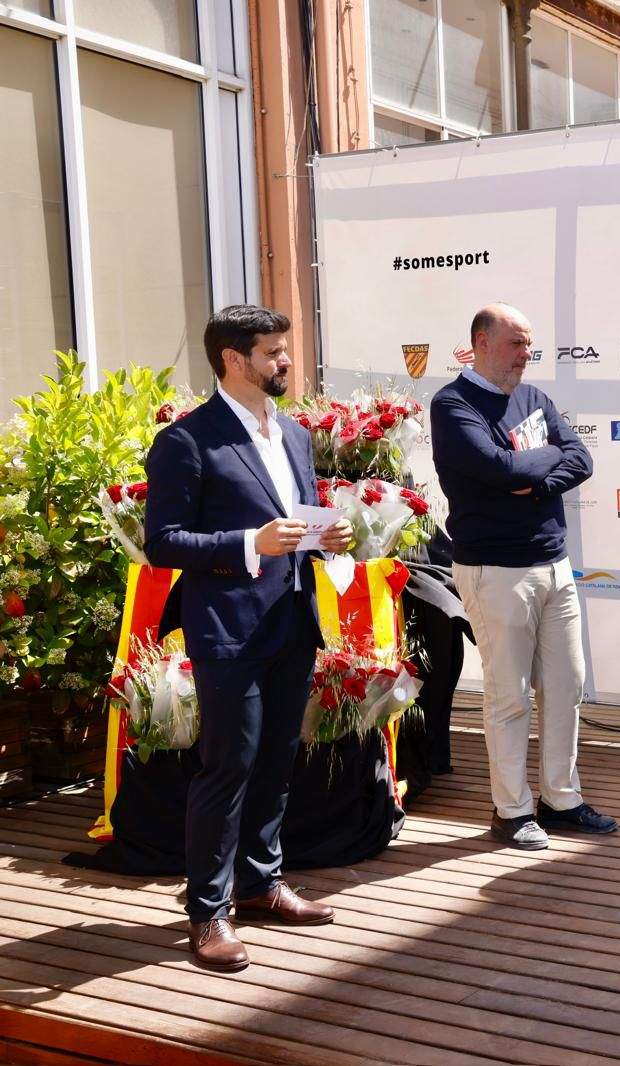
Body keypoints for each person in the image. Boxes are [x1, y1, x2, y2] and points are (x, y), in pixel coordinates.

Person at [144, 305, 355, 971]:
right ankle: (208, 913)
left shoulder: (292, 434)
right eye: (272, 352)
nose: (284, 361)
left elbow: (297, 519)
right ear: (234, 360)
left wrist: (332, 536)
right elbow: (162, 544)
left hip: (291, 618)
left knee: (275, 759)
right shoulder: (187, 441)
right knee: (227, 765)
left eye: (283, 350)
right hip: (227, 629)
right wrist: (246, 545)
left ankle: (262, 884)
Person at [429, 302, 617, 850]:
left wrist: (531, 482)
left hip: (554, 564)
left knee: (565, 687)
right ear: (481, 343)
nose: (526, 355)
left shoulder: (534, 398)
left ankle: (560, 799)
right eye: (516, 344)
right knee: (509, 697)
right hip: (494, 570)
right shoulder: (453, 404)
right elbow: (495, 468)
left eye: (529, 344)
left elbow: (579, 458)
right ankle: (510, 811)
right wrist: (535, 465)